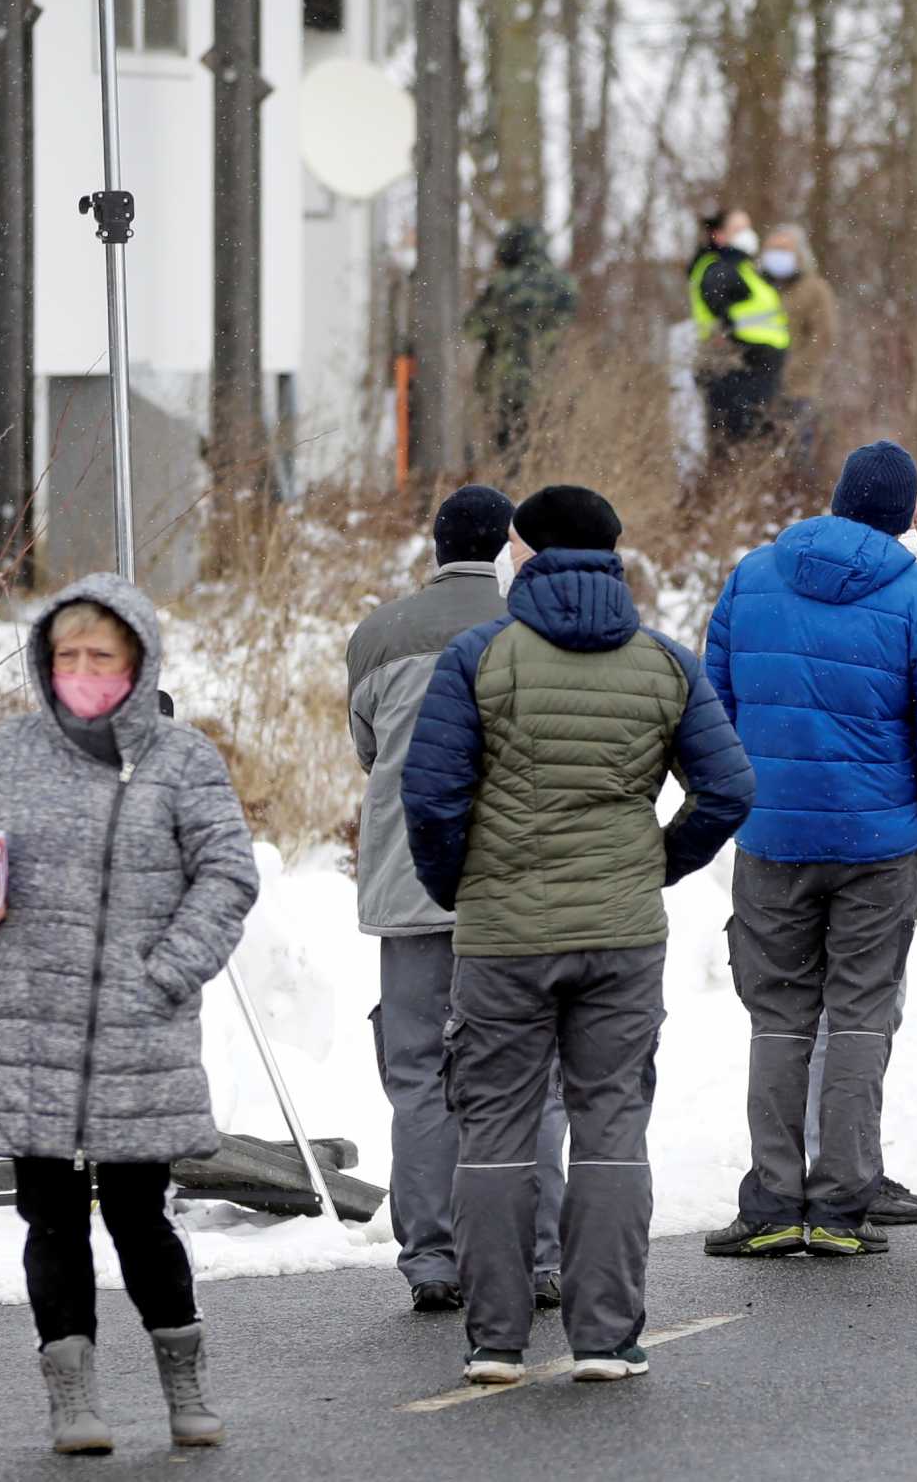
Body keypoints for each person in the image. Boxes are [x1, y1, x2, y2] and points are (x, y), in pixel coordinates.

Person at [403, 486, 754, 1386]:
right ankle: (604, 1336)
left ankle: (495, 1341)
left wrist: (462, 886)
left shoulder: (478, 657)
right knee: (610, 1129)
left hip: (502, 938)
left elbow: (432, 797)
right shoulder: (665, 663)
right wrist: (655, 863)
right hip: (620, 936)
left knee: (495, 1133)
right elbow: (729, 789)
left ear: (526, 554)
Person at [0, 577, 258, 1455]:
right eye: (66, 654)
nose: (81, 669)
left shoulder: (182, 759)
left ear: (137, 663)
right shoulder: (9, 749)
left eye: (99, 655)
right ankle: (72, 1400)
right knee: (50, 1218)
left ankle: (184, 1383)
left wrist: (164, 975)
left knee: (141, 1217)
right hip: (29, 1030)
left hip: (139, 1036)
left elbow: (228, 875)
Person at [699, 443, 917, 1259]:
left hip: (772, 839)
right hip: (878, 844)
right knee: (860, 1016)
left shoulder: (753, 577)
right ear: (910, 512)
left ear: (837, 500)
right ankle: (840, 1205)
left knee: (779, 1019)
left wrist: (743, 799)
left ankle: (771, 1203)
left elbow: (713, 704)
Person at [347, 487, 566, 1316]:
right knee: (531, 1076)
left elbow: (369, 749)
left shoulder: (380, 633)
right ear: (510, 547)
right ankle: (539, 1256)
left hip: (409, 886)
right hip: (516, 888)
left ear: (436, 548)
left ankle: (432, 1256)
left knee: (419, 1076)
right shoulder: (538, 626)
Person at [468, 220, 578, 458]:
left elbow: (473, 327)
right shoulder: (565, 284)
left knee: (507, 457)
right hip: (552, 382)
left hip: (507, 384)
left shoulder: (503, 283)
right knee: (547, 455)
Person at [687, 208, 792, 451]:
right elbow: (717, 306)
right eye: (738, 229)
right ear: (719, 235)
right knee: (735, 441)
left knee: (756, 438)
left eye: (748, 227)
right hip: (736, 366)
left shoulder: (744, 267)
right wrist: (731, 335)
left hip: (758, 368)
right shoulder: (718, 268)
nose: (747, 234)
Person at [758, 222, 834, 462]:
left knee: (797, 455)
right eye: (773, 249)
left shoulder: (815, 289)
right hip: (759, 388)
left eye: (784, 249)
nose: (777, 255)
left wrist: (790, 371)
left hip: (798, 389)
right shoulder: (756, 287)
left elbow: (822, 338)